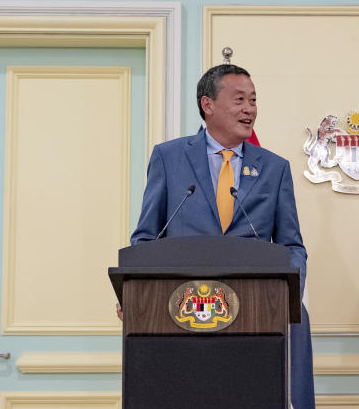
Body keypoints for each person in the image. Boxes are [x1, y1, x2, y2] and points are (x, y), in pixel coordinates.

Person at [129, 63, 306, 280]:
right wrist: (135, 288)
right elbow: (147, 237)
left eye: (253, 100)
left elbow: (291, 247)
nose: (249, 109)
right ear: (208, 105)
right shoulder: (168, 158)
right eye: (239, 100)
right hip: (184, 298)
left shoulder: (275, 169)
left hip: (256, 300)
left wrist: (290, 292)